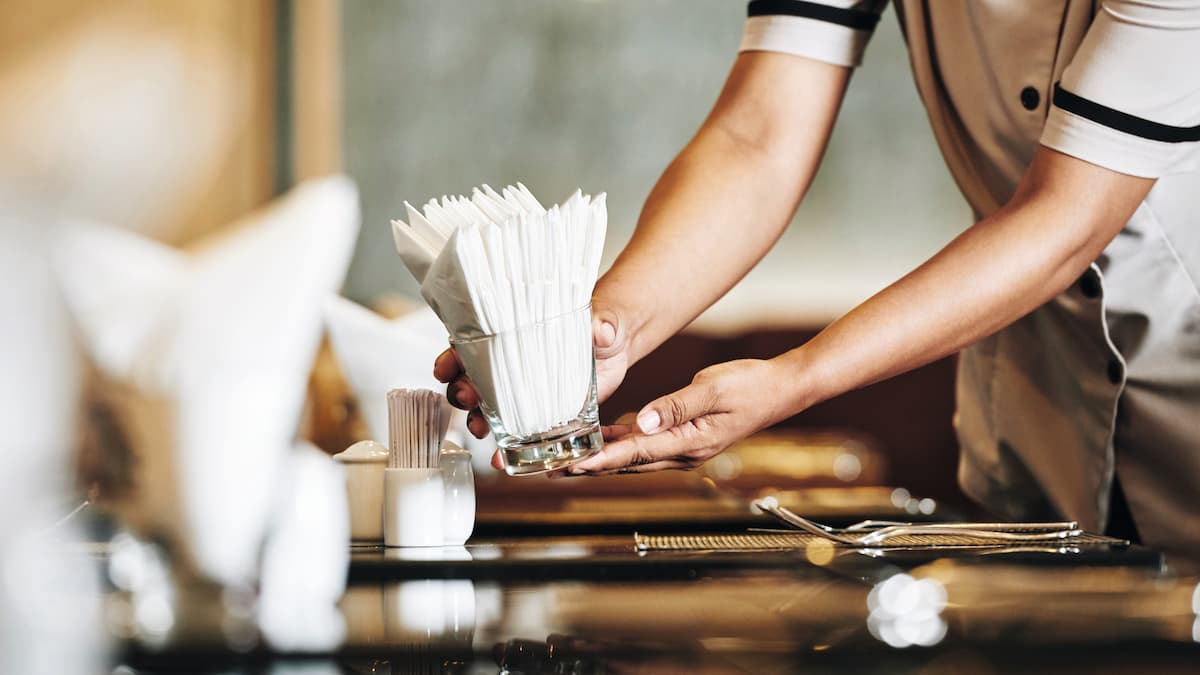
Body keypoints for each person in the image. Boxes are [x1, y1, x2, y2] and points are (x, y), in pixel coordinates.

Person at [436, 0, 1200, 557]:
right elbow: (758, 135)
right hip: (1048, 404)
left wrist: (795, 378)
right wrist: (611, 324)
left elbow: (1063, 220)